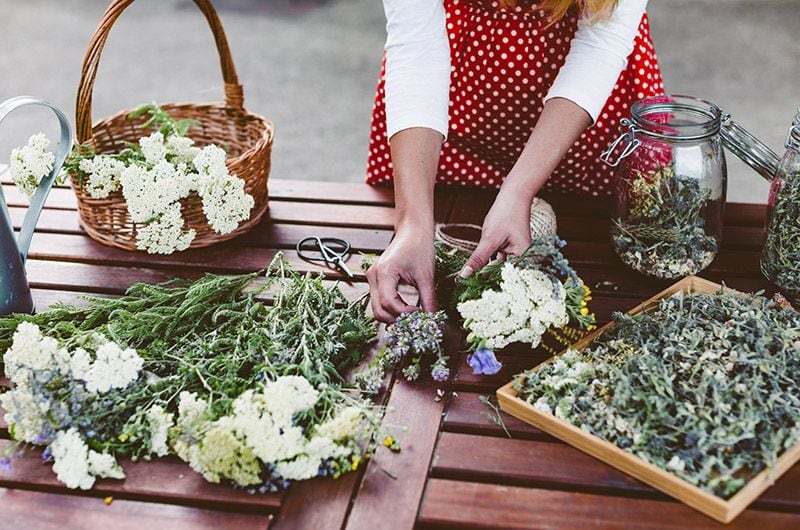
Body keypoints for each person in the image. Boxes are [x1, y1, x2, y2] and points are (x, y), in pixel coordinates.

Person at [365, 0, 664, 322]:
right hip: (464, 96)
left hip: (578, 117)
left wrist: (516, 193)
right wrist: (413, 224)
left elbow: (600, 46)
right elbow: (416, 51)